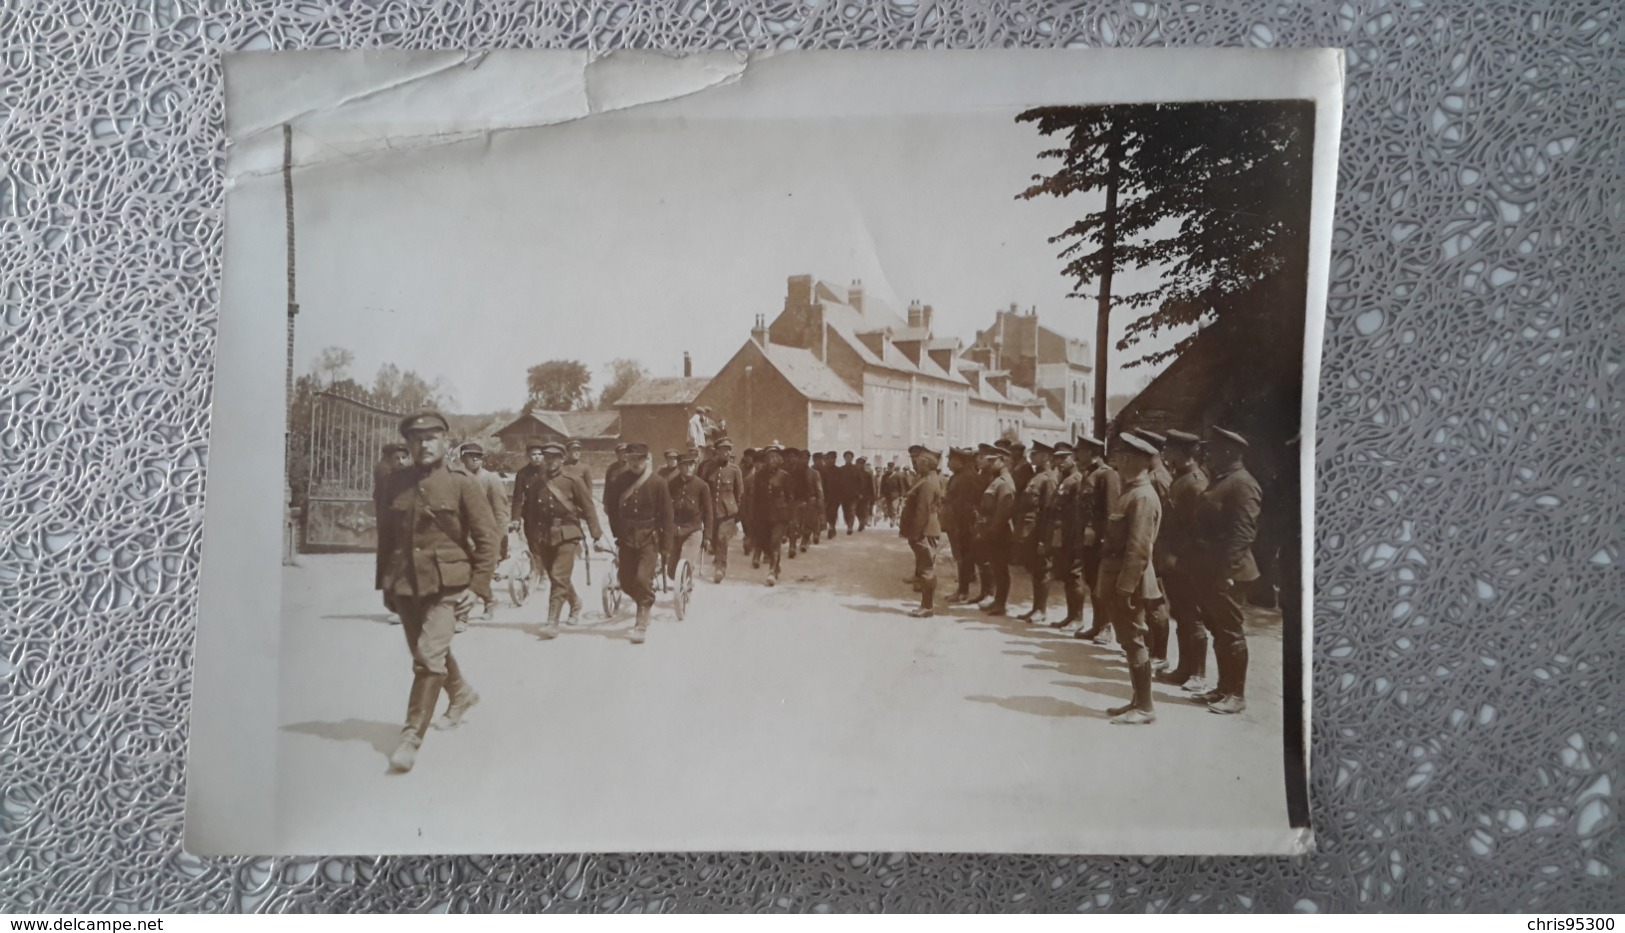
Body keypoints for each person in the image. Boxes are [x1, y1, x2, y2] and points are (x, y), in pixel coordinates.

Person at [375, 411, 499, 773]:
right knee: (425, 651)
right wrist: (385, 583)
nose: (424, 444)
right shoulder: (394, 482)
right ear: (408, 443)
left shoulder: (462, 483)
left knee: (428, 656)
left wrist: (479, 586)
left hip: (449, 584)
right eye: (416, 438)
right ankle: (460, 694)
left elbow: (488, 537)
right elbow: (387, 537)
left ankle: (411, 736)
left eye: (431, 437)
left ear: (446, 441)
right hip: (404, 583)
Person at [1190, 427, 1262, 715]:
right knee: (1219, 629)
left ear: (1230, 452)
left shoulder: (1242, 484)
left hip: (1229, 571)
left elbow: (1243, 533)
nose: (1209, 455)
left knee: (1231, 632)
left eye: (1215, 450)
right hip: (1212, 569)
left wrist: (1228, 573)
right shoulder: (1223, 480)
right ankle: (1223, 688)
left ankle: (1237, 695)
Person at [1098, 432, 1164, 725]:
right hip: (1121, 578)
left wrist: (1125, 587)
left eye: (1123, 458)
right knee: (1129, 639)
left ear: (1134, 461)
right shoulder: (1133, 491)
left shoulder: (1142, 496)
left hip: (1129, 581)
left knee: (1134, 639)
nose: (1118, 462)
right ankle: (1137, 700)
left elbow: (1138, 549)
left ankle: (1146, 707)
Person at [521, 442, 605, 639]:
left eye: (554, 457)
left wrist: (596, 536)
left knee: (559, 576)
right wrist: (532, 536)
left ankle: (552, 622)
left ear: (562, 459)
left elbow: (589, 507)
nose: (550, 461)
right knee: (554, 575)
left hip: (568, 533)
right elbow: (531, 512)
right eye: (547, 457)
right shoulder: (536, 483)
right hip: (544, 535)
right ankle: (575, 603)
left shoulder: (573, 480)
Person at [1155, 429, 1212, 691]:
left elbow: (1200, 531)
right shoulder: (1181, 479)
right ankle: (1184, 669)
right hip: (1173, 563)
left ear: (1183, 454)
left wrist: (1182, 560)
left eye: (1170, 450)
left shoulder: (1196, 483)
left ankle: (1198, 675)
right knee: (1181, 615)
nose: (1165, 454)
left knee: (1193, 618)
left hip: (1186, 564)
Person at [612, 443, 674, 644]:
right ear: (626, 459)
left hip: (649, 538)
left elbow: (667, 516)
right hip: (627, 538)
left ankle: (641, 621)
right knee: (625, 580)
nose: (635, 463)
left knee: (641, 579)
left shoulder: (658, 483)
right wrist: (617, 533)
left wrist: (666, 546)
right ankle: (644, 600)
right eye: (631, 459)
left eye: (640, 459)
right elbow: (613, 510)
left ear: (647, 459)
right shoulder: (620, 481)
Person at [1074, 436, 1122, 643]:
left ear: (1093, 452)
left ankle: (1106, 627)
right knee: (1091, 581)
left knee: (1102, 584)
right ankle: (1097, 624)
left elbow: (1112, 511)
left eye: (1081, 450)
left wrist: (1106, 540)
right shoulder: (1089, 474)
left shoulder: (1107, 475)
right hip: (1087, 539)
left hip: (1100, 540)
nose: (1077, 454)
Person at [457, 442, 511, 624]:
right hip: (464, 534)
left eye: (478, 456)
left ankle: (463, 616)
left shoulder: (490, 479)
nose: (474, 459)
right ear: (462, 458)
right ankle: (489, 599)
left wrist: (499, 539)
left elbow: (500, 511)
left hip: (485, 535)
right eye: (470, 456)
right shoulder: (458, 478)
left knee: (475, 571)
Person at [898, 444, 945, 618]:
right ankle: (926, 605)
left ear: (927, 463)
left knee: (927, 570)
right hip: (926, 530)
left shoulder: (927, 483)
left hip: (925, 531)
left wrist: (915, 535)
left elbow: (922, 511)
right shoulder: (928, 480)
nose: (916, 464)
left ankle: (927, 607)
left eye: (919, 462)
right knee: (926, 567)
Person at [1014, 442, 1057, 624]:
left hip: (1039, 531)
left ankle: (1042, 610)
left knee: (1042, 570)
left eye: (1037, 454)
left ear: (1046, 457)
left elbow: (1049, 512)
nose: (1032, 457)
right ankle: (1035, 608)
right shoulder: (1036, 477)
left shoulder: (1048, 479)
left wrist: (1044, 540)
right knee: (1035, 570)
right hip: (1029, 531)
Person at [973, 443, 1017, 615]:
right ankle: (997, 601)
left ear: (1002, 461)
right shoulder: (997, 480)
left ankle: (1001, 604)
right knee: (997, 568)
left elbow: (1004, 511)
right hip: (993, 530)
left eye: (993, 461)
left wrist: (992, 531)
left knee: (1000, 569)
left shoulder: (1005, 482)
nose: (990, 464)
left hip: (999, 532)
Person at [373, 442, 410, 622]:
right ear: (390, 459)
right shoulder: (385, 476)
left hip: (402, 527)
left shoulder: (409, 478)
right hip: (390, 527)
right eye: (397, 458)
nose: (401, 462)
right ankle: (396, 606)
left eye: (404, 458)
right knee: (392, 564)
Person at [1048, 442, 1085, 628]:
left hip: (1073, 535)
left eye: (1064, 457)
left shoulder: (1077, 480)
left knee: (1074, 576)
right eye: (1058, 458)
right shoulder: (1065, 480)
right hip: (1063, 534)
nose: (1060, 461)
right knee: (1068, 576)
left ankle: (1078, 618)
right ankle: (1071, 615)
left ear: (1073, 458)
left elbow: (1078, 513)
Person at [667, 449, 713, 585]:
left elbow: (708, 512)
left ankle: (685, 583)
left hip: (694, 530)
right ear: (679, 467)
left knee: (686, 562)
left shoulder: (702, 486)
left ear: (694, 466)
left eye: (690, 465)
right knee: (671, 572)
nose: (687, 468)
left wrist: (707, 536)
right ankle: (683, 580)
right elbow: (665, 508)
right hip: (675, 531)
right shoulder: (672, 484)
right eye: (683, 465)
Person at [942, 448, 980, 603]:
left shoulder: (966, 478)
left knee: (963, 558)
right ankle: (962, 590)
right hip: (957, 523)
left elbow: (964, 505)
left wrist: (959, 526)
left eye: (950, 460)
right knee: (961, 557)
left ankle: (963, 592)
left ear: (959, 461)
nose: (948, 464)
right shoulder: (959, 476)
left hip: (963, 525)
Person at [751, 443, 792, 585]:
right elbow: (755, 498)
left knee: (775, 542)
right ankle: (776, 565)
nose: (772, 460)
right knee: (765, 543)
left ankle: (772, 571)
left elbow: (789, 498)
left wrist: (791, 519)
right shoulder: (759, 476)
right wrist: (754, 517)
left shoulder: (784, 476)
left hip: (780, 516)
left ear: (779, 458)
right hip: (763, 516)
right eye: (769, 457)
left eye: (775, 456)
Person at [707, 438, 743, 583]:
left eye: (729, 449)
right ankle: (718, 558)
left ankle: (720, 567)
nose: (727, 453)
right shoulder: (708, 468)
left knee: (722, 538)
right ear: (718, 451)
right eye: (724, 450)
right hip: (712, 510)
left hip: (728, 511)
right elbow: (704, 489)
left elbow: (739, 493)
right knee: (714, 539)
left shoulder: (735, 470)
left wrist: (737, 512)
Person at [854, 456, 875, 531]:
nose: (860, 465)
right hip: (855, 495)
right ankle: (861, 521)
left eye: (862, 464)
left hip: (865, 496)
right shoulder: (853, 474)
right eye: (859, 464)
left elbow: (872, 486)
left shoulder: (867, 474)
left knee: (863, 510)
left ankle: (862, 522)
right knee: (856, 510)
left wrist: (873, 496)